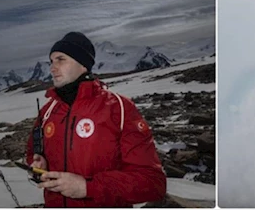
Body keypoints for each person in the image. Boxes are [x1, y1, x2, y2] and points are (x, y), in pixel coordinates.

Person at [24, 32, 166, 207]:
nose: (52, 68)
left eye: (60, 59)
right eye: (51, 61)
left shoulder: (118, 108)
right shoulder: (47, 111)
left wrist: (87, 187)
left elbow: (153, 183)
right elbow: (32, 152)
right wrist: (39, 162)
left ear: (83, 65)